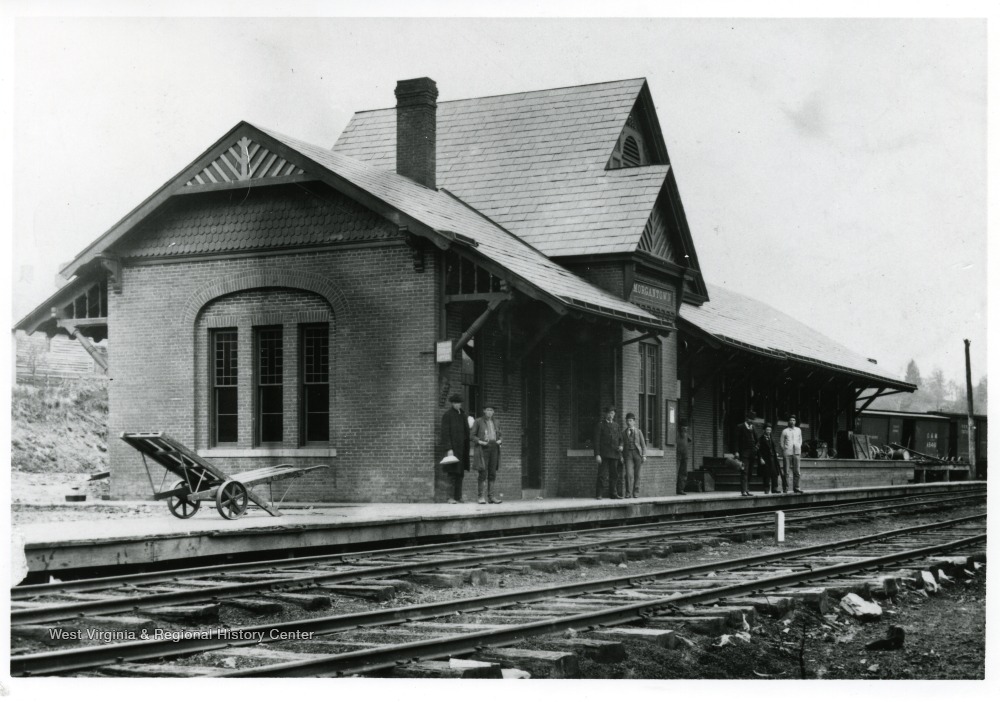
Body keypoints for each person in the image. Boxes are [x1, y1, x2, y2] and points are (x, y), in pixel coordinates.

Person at [440, 393, 470, 504]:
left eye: (460, 403)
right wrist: (449, 448)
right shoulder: (447, 415)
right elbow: (445, 433)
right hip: (453, 449)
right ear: (452, 403)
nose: (458, 405)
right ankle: (449, 497)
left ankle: (458, 496)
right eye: (456, 403)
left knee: (460, 473)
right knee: (452, 474)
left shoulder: (462, 415)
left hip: (462, 449)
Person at [471, 404, 503, 505]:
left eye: (492, 410)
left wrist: (500, 440)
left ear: (493, 412)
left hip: (494, 448)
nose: (490, 412)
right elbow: (472, 435)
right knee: (483, 473)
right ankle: (481, 497)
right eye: (488, 410)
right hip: (483, 448)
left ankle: (491, 497)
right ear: (484, 411)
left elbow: (500, 435)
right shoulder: (478, 421)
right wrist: (480, 442)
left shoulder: (496, 422)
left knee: (492, 473)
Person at [593, 406, 623, 499]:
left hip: (615, 454)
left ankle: (613, 494)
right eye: (609, 413)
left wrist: (621, 446)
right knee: (602, 474)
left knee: (614, 475)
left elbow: (621, 439)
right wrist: (597, 454)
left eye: (613, 413)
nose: (611, 415)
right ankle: (599, 494)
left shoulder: (616, 426)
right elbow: (596, 441)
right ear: (606, 414)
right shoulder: (600, 425)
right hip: (604, 454)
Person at [733, 410, 758, 497]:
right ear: (747, 418)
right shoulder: (740, 427)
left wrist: (756, 448)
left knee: (750, 472)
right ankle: (743, 490)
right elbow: (736, 440)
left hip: (752, 453)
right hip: (744, 453)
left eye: (753, 420)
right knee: (744, 471)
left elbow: (757, 439)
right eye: (750, 419)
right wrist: (736, 451)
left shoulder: (753, 428)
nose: (751, 421)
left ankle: (747, 489)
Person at [622, 413, 646, 498]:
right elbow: (622, 445)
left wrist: (644, 455)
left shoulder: (638, 432)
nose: (628, 422)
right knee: (629, 474)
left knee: (637, 474)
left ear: (634, 422)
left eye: (630, 420)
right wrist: (621, 456)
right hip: (628, 455)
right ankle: (628, 493)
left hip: (637, 454)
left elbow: (643, 445)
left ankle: (636, 493)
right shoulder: (624, 433)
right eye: (627, 420)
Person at [780, 414, 804, 493]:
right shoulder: (785, 431)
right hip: (787, 453)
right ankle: (785, 488)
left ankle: (796, 487)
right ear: (788, 421)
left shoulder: (798, 430)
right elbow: (781, 442)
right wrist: (785, 450)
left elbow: (800, 440)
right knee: (786, 471)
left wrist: (798, 446)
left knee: (797, 471)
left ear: (795, 421)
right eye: (791, 420)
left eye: (793, 420)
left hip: (796, 452)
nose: (792, 422)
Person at [757, 422, 782, 494]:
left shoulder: (772, 438)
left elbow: (774, 447)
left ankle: (774, 489)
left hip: (773, 458)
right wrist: (761, 458)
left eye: (770, 430)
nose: (769, 431)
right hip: (765, 459)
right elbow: (758, 450)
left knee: (774, 473)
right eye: (767, 430)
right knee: (766, 474)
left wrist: (776, 453)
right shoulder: (761, 439)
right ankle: (766, 489)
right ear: (764, 430)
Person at [676, 421, 692, 495]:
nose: (685, 430)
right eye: (683, 428)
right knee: (676, 471)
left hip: (685, 455)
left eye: (686, 428)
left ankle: (680, 489)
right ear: (680, 428)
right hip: (677, 455)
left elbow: (690, 440)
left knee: (683, 472)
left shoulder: (687, 435)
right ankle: (674, 488)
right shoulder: (676, 434)